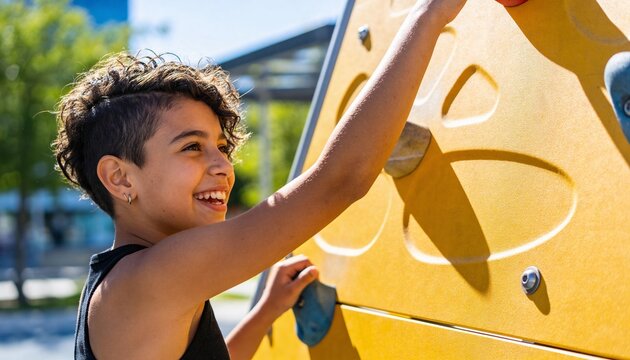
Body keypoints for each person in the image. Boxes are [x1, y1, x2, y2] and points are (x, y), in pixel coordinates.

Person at [53, 0, 467, 359]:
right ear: (120, 177)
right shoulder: (146, 280)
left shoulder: (144, 285)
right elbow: (341, 181)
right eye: (192, 147)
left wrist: (265, 312)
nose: (223, 167)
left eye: (222, 148)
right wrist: (428, 15)